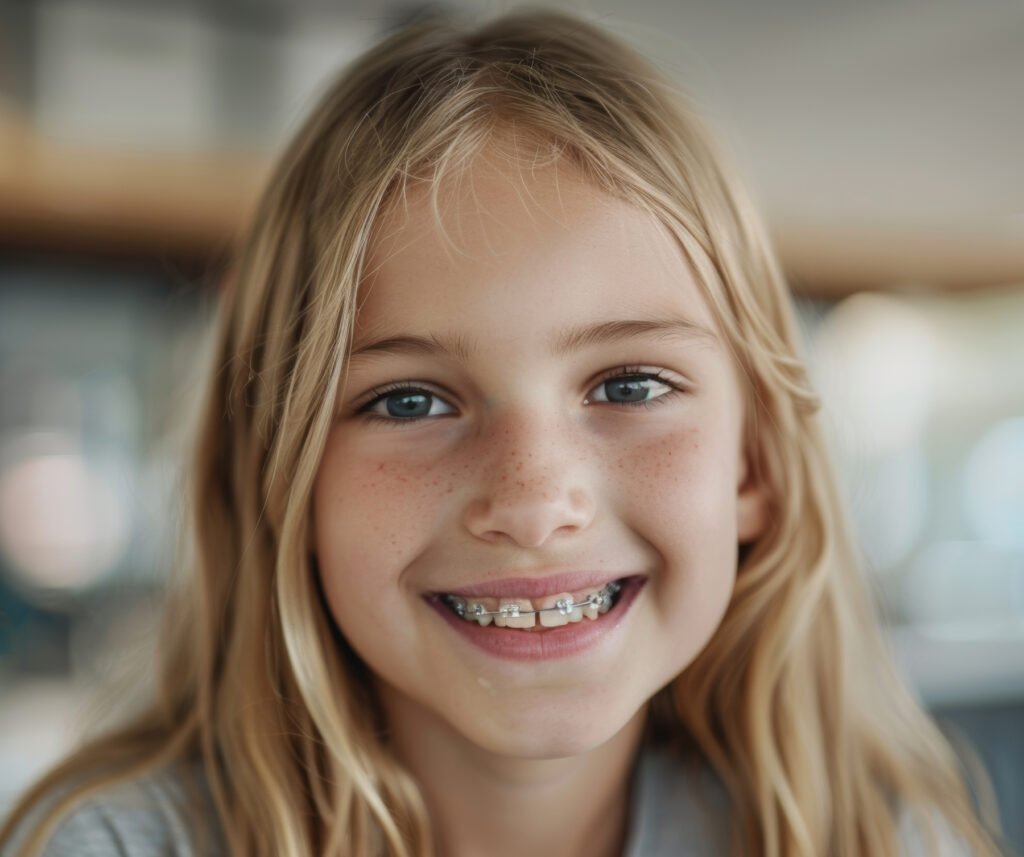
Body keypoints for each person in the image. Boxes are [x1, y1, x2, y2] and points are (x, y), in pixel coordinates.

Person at [0, 9, 1009, 857]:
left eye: (628, 382)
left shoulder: (872, 837)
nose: (531, 503)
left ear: (755, 464)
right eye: (409, 400)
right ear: (283, 475)